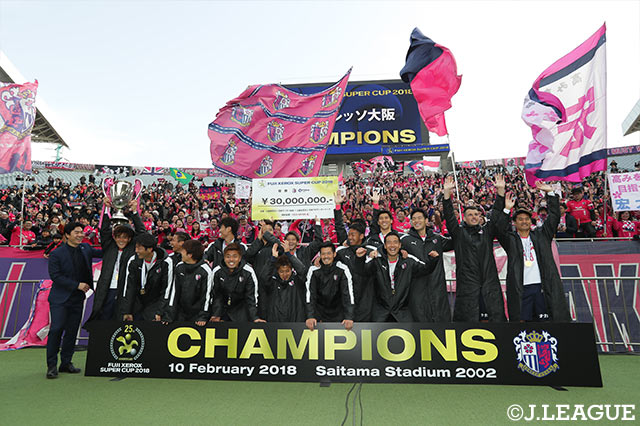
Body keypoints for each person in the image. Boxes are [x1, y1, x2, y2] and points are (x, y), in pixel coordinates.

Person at [496, 182, 571, 322]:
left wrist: (550, 194)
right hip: (520, 288)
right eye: (520, 219)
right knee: (522, 325)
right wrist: (506, 209)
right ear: (515, 223)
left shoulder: (542, 235)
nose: (524, 222)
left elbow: (554, 217)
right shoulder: (510, 240)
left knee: (546, 323)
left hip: (542, 286)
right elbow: (499, 230)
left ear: (531, 222)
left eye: (527, 219)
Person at [443, 174, 508, 322]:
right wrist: (447, 195)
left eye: (476, 215)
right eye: (470, 215)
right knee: (467, 320)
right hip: (467, 284)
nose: (473, 217)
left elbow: (497, 214)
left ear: (480, 217)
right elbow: (449, 216)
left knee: (495, 318)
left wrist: (500, 192)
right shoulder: (459, 233)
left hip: (489, 282)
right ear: (464, 218)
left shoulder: (487, 231)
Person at [46, 222, 102, 378]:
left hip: (77, 299)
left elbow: (106, 252)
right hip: (60, 299)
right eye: (77, 232)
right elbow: (55, 276)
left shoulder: (86, 249)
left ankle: (66, 363)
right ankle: (51, 366)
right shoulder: (57, 254)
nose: (80, 235)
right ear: (67, 235)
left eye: (82, 232)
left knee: (72, 332)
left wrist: (121, 240)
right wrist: (77, 285)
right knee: (56, 330)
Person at [356, 232, 437, 322]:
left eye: (395, 242)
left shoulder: (408, 261)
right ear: (385, 246)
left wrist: (433, 259)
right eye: (389, 243)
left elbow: (425, 269)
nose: (392, 245)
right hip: (380, 312)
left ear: (399, 245)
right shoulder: (377, 261)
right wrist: (360, 259)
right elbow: (363, 271)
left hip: (401, 312)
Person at [87, 199, 144, 322]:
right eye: (118, 237)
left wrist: (134, 212)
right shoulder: (109, 246)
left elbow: (142, 233)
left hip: (125, 291)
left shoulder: (132, 249)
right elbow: (104, 230)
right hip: (108, 289)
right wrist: (106, 209)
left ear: (130, 239)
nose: (121, 240)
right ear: (115, 237)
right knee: (104, 320)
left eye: (125, 237)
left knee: (121, 323)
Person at [401, 208, 452, 322]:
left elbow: (456, 241)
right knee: (420, 324)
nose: (416, 221)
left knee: (441, 323)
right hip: (417, 288)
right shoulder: (405, 240)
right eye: (413, 219)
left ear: (426, 220)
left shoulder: (437, 238)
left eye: (419, 218)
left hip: (437, 287)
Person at [305, 242, 355, 331]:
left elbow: (347, 294)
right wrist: (310, 316)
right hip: (319, 317)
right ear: (320, 255)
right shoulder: (313, 270)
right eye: (323, 254)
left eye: (328, 253)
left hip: (339, 316)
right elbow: (310, 295)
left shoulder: (343, 269)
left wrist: (349, 317)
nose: (326, 256)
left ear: (334, 254)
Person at [121, 233, 171, 321]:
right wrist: (127, 311)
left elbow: (166, 289)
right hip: (137, 304)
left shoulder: (166, 262)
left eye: (139, 248)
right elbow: (129, 287)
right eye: (135, 247)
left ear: (150, 249)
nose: (136, 251)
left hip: (155, 304)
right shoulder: (133, 261)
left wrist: (160, 311)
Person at [164, 240, 214, 325]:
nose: (181, 254)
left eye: (183, 251)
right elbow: (174, 292)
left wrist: (203, 316)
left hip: (197, 316)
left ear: (190, 255)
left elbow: (206, 296)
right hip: (180, 314)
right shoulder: (179, 267)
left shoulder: (206, 270)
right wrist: (169, 315)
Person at [210, 243, 263, 322]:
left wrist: (254, 317)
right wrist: (216, 314)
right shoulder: (217, 271)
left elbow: (251, 297)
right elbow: (216, 295)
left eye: (235, 256)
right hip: (222, 312)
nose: (231, 259)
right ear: (224, 258)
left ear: (240, 258)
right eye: (228, 256)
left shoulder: (248, 271)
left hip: (242, 311)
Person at [259, 245, 307, 322]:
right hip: (276, 324)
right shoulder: (272, 283)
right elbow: (264, 277)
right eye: (281, 271)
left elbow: (302, 270)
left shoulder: (298, 281)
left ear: (291, 270)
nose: (285, 274)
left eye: (287, 271)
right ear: (277, 271)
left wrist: (289, 254)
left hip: (296, 324)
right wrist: (273, 259)